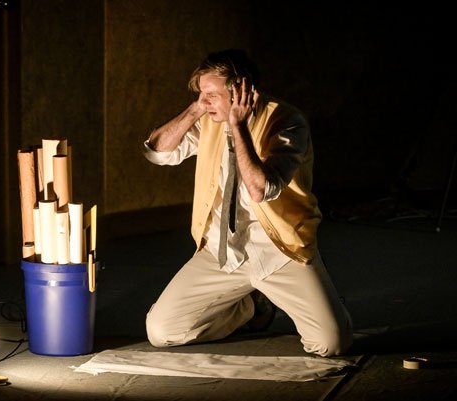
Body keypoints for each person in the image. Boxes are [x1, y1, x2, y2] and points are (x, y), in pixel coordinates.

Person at [142, 49, 353, 357]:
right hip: (222, 250)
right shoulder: (208, 117)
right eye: (202, 94)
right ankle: (251, 307)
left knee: (330, 343)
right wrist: (195, 109)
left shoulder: (287, 122)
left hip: (278, 250)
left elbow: (261, 189)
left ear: (242, 90)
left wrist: (238, 126)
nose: (205, 102)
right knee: (162, 332)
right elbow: (157, 153)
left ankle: (325, 306)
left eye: (212, 95)